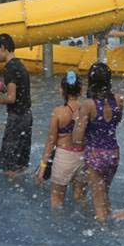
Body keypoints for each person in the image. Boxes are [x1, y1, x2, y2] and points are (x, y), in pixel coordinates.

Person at [72, 63, 124, 223]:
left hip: (95, 155)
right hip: (114, 153)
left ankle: (103, 234)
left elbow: (77, 138)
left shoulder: (88, 105)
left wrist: (77, 120)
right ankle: (112, 221)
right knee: (105, 195)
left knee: (97, 201)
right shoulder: (119, 99)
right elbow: (116, 122)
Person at [34, 71, 85, 208]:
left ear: (61, 90)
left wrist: (43, 167)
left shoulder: (58, 112)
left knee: (57, 199)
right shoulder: (87, 109)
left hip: (64, 157)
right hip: (83, 157)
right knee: (79, 197)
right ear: (81, 90)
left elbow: (51, 141)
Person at [0, 33, 33, 178]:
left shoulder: (9, 68)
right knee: (21, 163)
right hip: (27, 116)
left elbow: (11, 98)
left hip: (16, 118)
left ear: (3, 48)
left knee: (9, 166)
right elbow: (17, 89)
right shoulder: (20, 65)